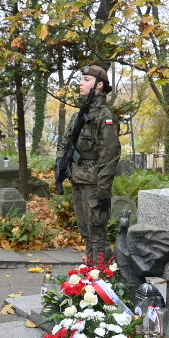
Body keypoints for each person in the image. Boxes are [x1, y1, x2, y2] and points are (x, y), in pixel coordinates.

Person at [55, 65, 121, 261]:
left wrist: (102, 190)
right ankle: (89, 279)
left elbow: (110, 156)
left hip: (94, 184)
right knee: (86, 234)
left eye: (86, 80)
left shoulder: (104, 117)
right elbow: (65, 142)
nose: (80, 84)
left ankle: (104, 279)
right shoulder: (79, 115)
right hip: (79, 180)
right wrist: (60, 163)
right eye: (81, 79)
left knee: (97, 235)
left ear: (99, 85)